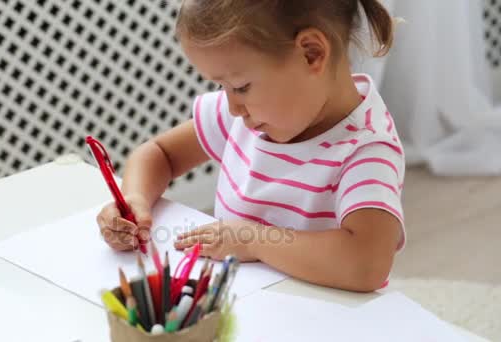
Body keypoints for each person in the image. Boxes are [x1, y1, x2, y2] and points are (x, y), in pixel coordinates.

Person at [97, 0, 405, 292]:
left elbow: (366, 264)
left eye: (241, 86)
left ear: (311, 54)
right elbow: (159, 153)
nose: (232, 106)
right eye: (223, 87)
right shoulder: (249, 116)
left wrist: (252, 240)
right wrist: (134, 199)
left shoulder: (365, 149)